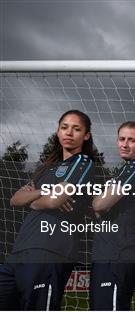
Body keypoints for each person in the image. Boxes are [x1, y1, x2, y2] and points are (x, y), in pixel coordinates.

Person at [0, 110, 95, 310]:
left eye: (76, 129)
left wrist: (34, 199)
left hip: (50, 250)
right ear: (58, 131)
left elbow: (55, 201)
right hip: (20, 250)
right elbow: (15, 199)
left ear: (86, 135)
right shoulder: (47, 168)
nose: (69, 132)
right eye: (64, 127)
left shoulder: (83, 163)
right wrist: (45, 190)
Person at [90, 121, 135, 310]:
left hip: (120, 251)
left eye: (131, 140)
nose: (124, 144)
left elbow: (99, 204)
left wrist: (99, 202)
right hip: (105, 251)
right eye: (121, 139)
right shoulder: (122, 170)